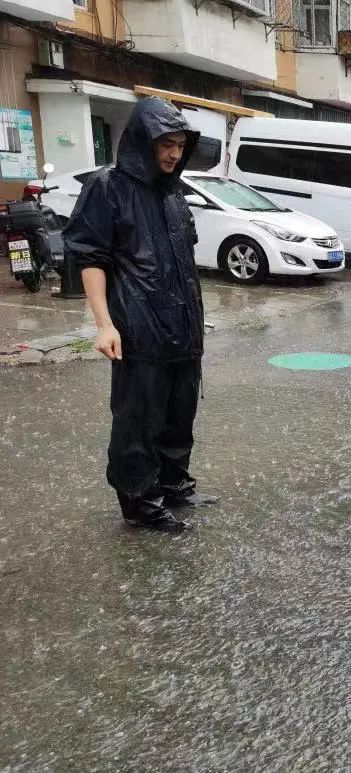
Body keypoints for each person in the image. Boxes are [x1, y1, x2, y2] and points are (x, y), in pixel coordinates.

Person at [64, 97, 217, 533]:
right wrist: (104, 324)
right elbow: (89, 256)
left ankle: (173, 485)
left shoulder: (173, 193)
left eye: (179, 144)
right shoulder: (108, 187)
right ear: (141, 141)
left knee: (179, 413)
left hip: (182, 330)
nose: (173, 153)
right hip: (139, 329)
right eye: (165, 143)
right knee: (139, 419)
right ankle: (139, 501)